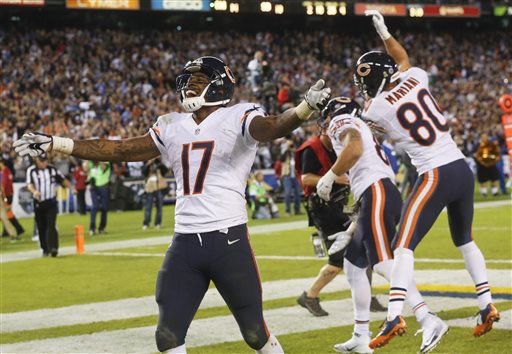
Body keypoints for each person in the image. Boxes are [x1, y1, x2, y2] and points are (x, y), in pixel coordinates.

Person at [13, 56, 331, 354]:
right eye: (187, 78)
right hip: (185, 243)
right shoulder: (170, 124)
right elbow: (119, 149)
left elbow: (273, 126)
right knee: (167, 335)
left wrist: (304, 109)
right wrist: (57, 142)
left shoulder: (240, 114)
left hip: (227, 240)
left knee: (254, 334)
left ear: (220, 83)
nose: (190, 84)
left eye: (199, 77)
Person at [355, 11, 500, 349]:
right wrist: (385, 33)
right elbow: (403, 59)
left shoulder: (375, 108)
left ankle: (394, 316)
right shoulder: (417, 77)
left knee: (401, 246)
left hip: (435, 173)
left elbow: (372, 104)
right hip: (461, 168)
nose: (363, 85)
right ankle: (486, 303)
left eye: (365, 79)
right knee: (465, 240)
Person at [316, 97, 447, 354]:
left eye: (327, 115)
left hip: (377, 193)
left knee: (383, 263)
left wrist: (330, 175)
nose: (326, 121)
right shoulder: (362, 127)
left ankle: (427, 317)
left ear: (335, 113)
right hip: (378, 194)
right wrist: (354, 228)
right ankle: (360, 336)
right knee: (354, 266)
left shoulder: (341, 122)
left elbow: (353, 149)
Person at [293, 120, 352, 317]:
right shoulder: (312, 149)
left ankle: (365, 296)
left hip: (339, 205)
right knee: (338, 258)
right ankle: (310, 295)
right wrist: (333, 178)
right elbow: (306, 179)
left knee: (361, 249)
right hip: (323, 209)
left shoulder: (338, 147)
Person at [26, 155, 73, 257]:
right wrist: (34, 191)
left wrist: (72, 188)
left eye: (45, 161)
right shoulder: (31, 170)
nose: (44, 163)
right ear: (37, 160)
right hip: (39, 203)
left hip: (51, 202)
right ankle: (45, 249)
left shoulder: (52, 169)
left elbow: (62, 179)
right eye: (42, 161)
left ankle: (53, 248)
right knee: (41, 226)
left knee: (51, 225)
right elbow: (29, 184)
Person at [142, 157, 169, 229]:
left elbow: (166, 171)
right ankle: (146, 223)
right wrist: (149, 164)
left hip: (159, 187)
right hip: (150, 187)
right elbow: (144, 172)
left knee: (159, 206)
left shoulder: (159, 163)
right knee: (148, 206)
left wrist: (159, 163)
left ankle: (158, 223)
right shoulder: (147, 163)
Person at [1, 158, 25, 237]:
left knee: (6, 214)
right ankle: (15, 229)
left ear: (2, 163)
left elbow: (4, 186)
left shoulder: (4, 172)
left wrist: (5, 198)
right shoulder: (7, 171)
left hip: (6, 196)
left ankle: (17, 229)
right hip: (8, 195)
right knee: (8, 214)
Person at [279, 137, 303, 216]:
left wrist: (294, 150)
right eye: (290, 145)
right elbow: (281, 159)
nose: (291, 146)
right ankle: (287, 211)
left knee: (297, 193)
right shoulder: (286, 153)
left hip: (295, 176)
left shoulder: (295, 154)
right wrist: (287, 149)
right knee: (287, 193)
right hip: (287, 176)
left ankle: (297, 210)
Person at [87, 161, 111, 235]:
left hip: (104, 186)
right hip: (94, 187)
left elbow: (104, 167)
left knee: (104, 208)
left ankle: (102, 228)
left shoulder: (105, 161)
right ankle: (92, 228)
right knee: (95, 207)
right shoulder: (91, 163)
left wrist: (97, 158)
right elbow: (87, 169)